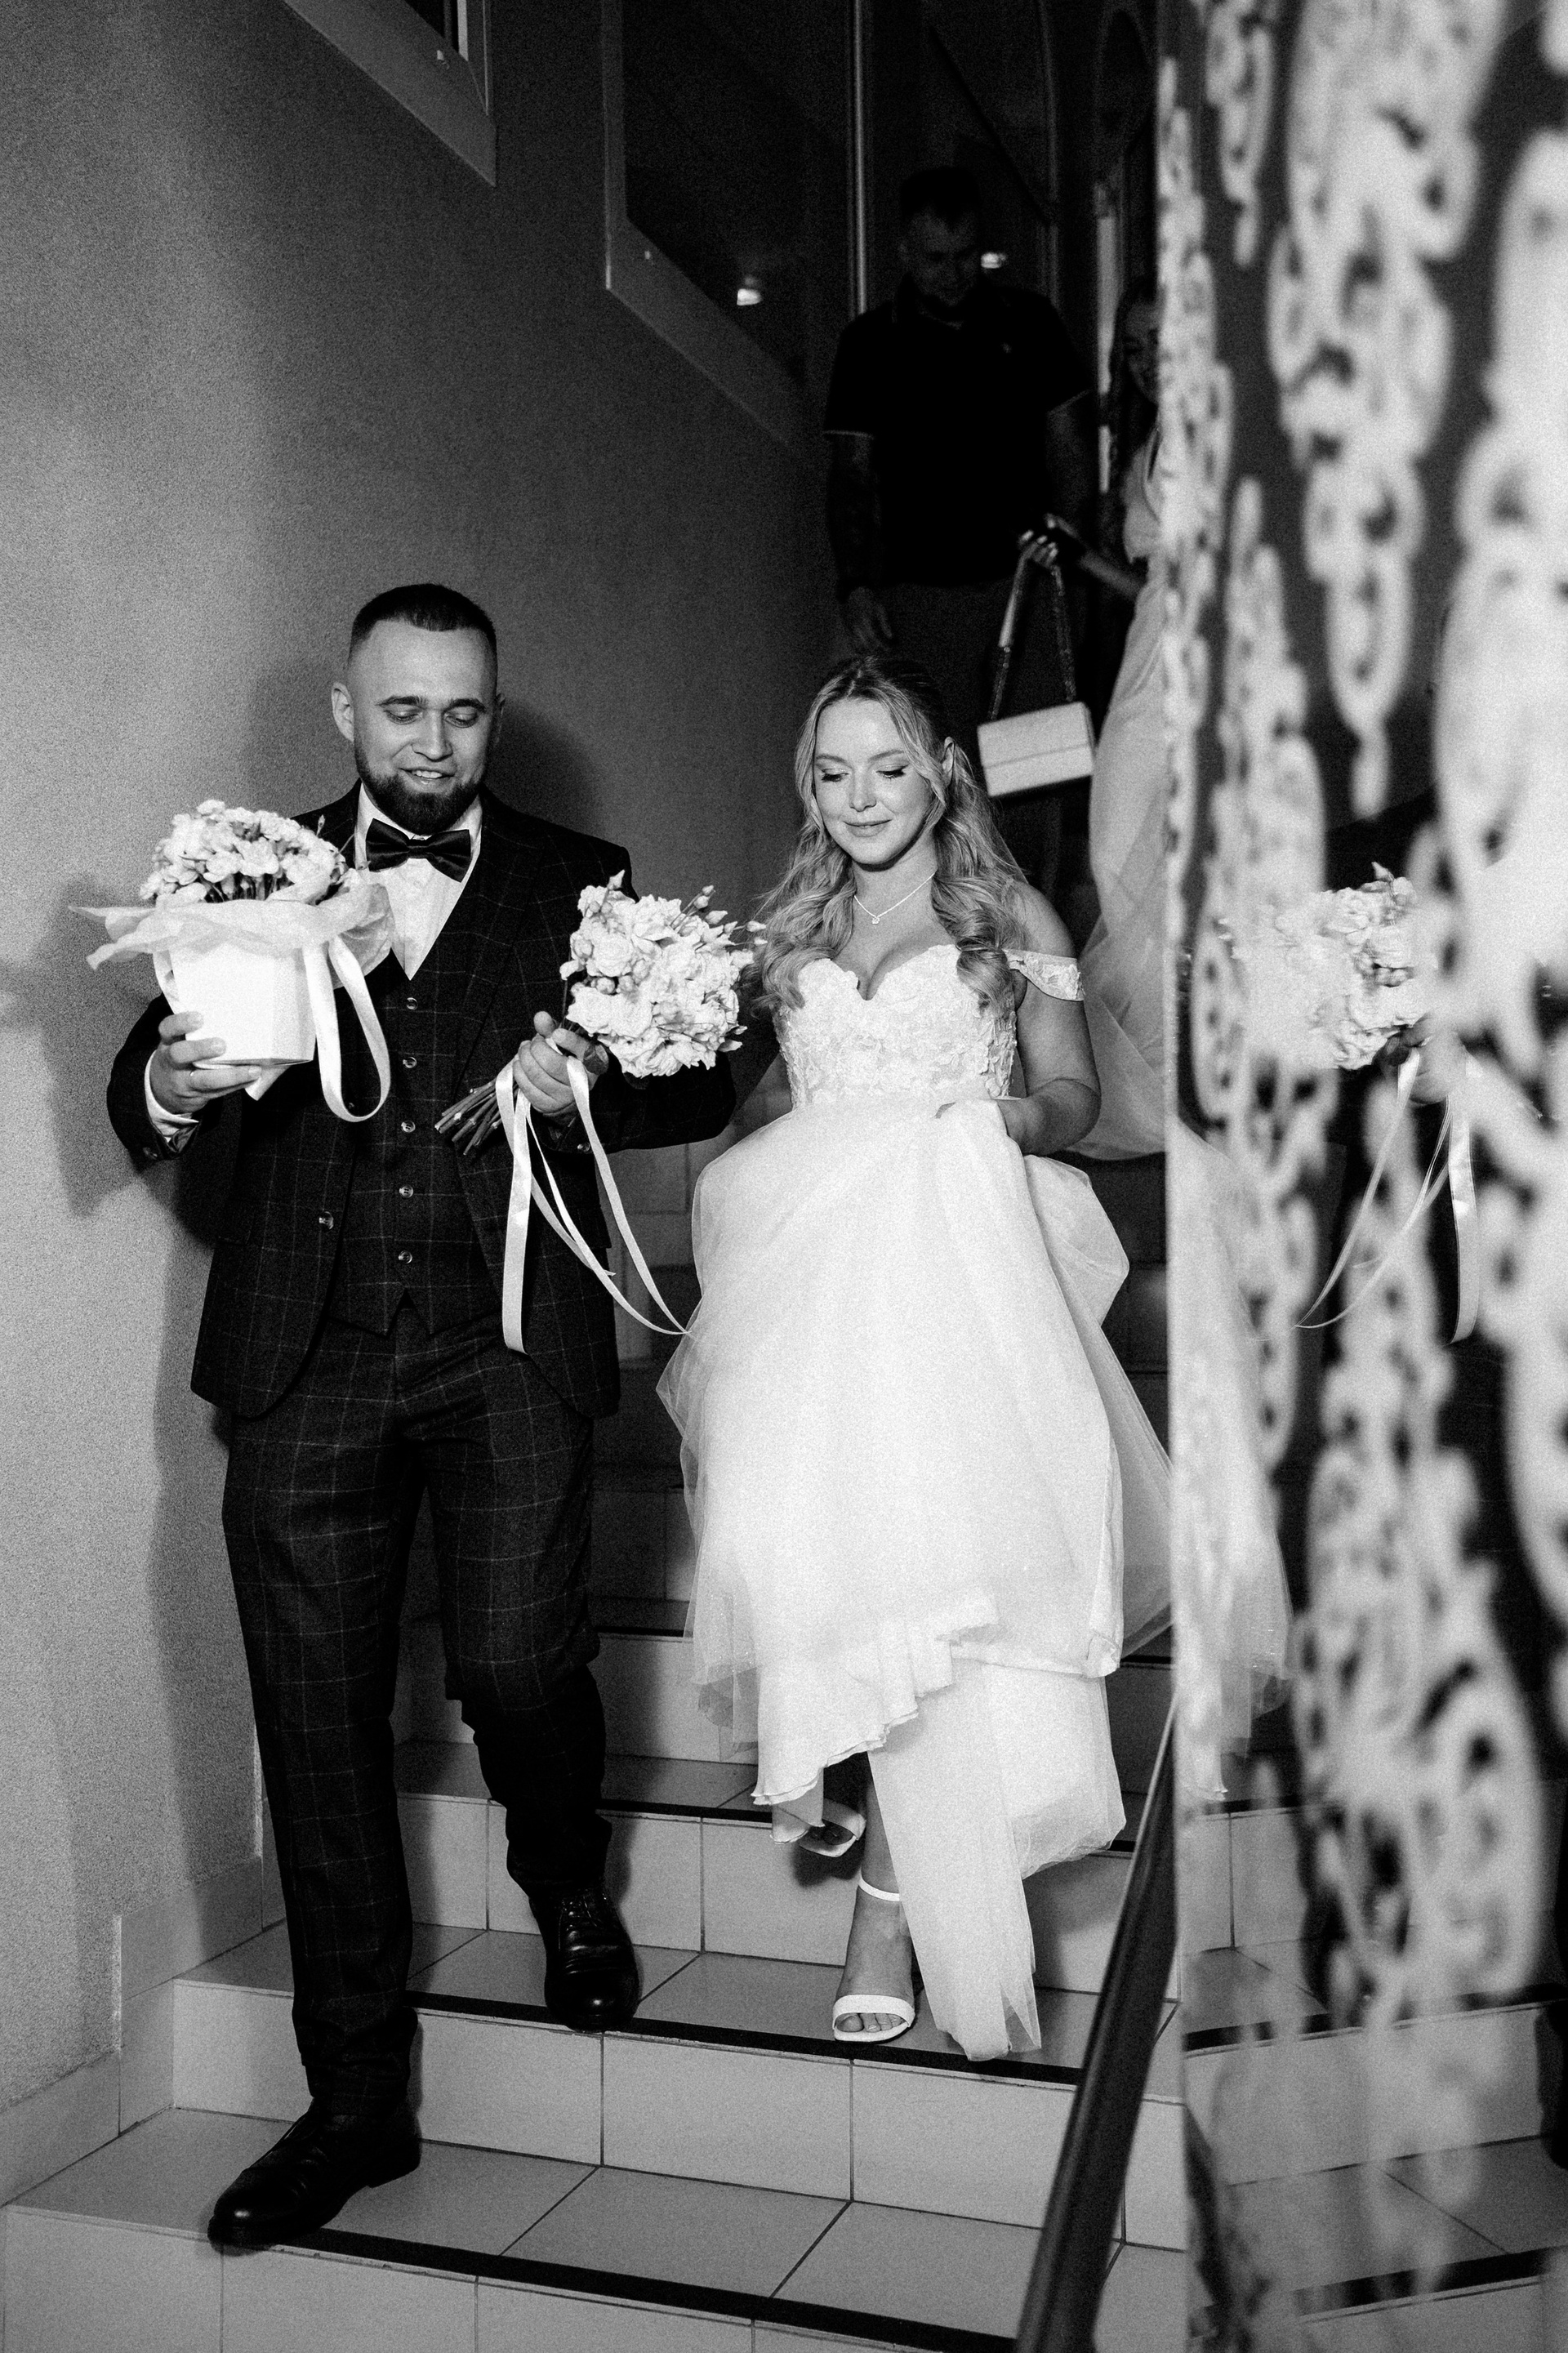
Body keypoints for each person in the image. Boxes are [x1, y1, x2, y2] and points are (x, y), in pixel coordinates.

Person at [106, 583, 736, 2247]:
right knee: (316, 1731)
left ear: (492, 713)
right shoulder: (251, 867)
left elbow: (705, 1065)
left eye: (464, 712)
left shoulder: (579, 876)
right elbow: (143, 1072)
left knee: (521, 1661)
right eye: (404, 711)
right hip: (303, 1356)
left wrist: (592, 1082)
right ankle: (356, 2100)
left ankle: (561, 1865)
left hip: (508, 1343)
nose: (437, 743)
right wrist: (173, 1084)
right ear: (346, 710)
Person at [657, 654, 1169, 2061]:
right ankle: (834, 1750)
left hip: (955, 1269)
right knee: (783, 1544)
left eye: (888, 766)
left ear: (940, 767)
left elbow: (1072, 1092)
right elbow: (783, 1091)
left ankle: (887, 1909)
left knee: (930, 1580)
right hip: (811, 1278)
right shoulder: (794, 924)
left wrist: (1002, 1125)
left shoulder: (1007, 913)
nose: (862, 795)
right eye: (834, 772)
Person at [824, 166, 1096, 788]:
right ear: (904, 251)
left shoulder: (1030, 323)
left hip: (1025, 580)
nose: (953, 273)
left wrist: (1069, 557)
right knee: (936, 769)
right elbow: (851, 477)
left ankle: (1029, 860)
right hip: (922, 590)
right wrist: (855, 584)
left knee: (1035, 772)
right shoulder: (870, 344)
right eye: (935, 258)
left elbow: (1070, 450)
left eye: (967, 255)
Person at [1079, 279, 1168, 1159]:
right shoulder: (1152, 437)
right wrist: (1079, 557)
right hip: (1154, 641)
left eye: (1161, 340)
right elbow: (1152, 581)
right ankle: (1160, 1056)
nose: (1147, 362)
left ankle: (1176, 1057)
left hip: (1194, 651)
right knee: (1119, 843)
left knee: (1135, 840)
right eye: (1133, 349)